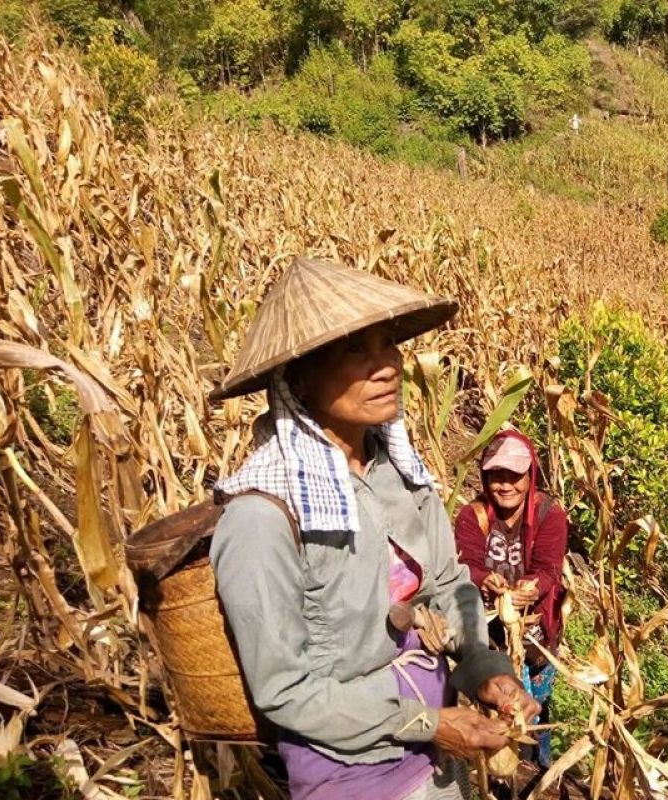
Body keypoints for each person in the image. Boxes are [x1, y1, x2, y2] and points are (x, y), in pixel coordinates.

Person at [208, 256, 539, 800]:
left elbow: (450, 585)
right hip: (351, 771)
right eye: (355, 349)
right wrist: (429, 724)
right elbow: (286, 690)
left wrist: (486, 668)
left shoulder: (401, 476)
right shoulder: (261, 518)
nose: (386, 365)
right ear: (298, 378)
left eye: (387, 343)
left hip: (438, 748)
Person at [453, 431, 569, 769]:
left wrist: (531, 588)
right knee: (500, 708)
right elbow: (466, 564)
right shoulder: (473, 516)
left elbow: (548, 568)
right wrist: (484, 579)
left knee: (535, 704)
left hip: (537, 635)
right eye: (496, 476)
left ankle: (539, 767)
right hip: (490, 637)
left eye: (514, 476)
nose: (505, 485)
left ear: (530, 476)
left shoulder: (549, 514)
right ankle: (501, 775)